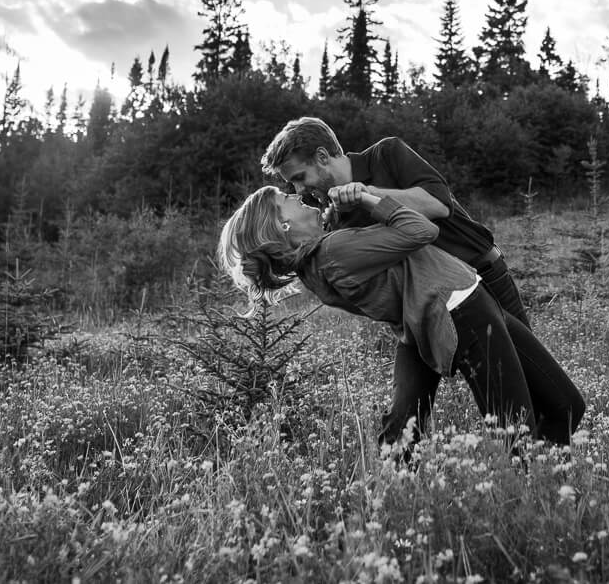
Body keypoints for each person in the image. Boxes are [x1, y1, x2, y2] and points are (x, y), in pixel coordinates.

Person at [217, 181, 585, 451]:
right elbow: (422, 230)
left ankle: (547, 481)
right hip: (464, 312)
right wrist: (368, 198)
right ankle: (536, 501)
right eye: (286, 199)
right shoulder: (332, 253)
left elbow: (377, 261)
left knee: (565, 405)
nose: (296, 196)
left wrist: (341, 217)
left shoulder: (321, 260)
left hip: (470, 302)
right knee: (516, 431)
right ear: (282, 225)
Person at [261, 117, 531, 448]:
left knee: (526, 389)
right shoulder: (328, 212)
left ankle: (545, 475)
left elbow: (437, 205)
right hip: (421, 309)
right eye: (292, 185)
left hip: (482, 281)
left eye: (300, 178)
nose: (299, 190)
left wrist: (368, 195)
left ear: (321, 157)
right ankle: (395, 490)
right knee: (405, 414)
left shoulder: (387, 154)